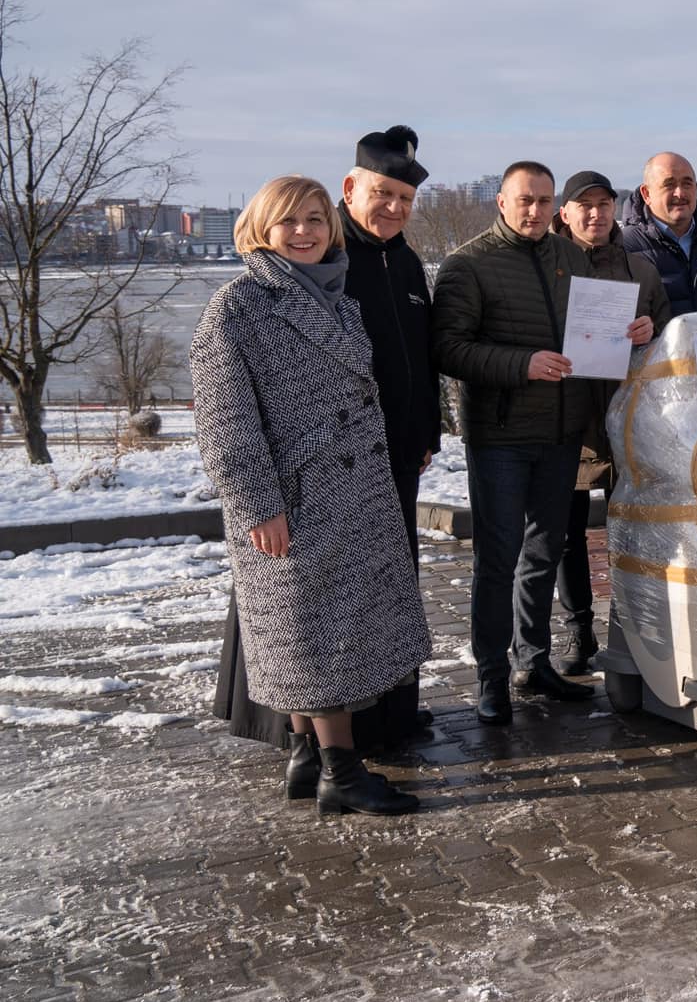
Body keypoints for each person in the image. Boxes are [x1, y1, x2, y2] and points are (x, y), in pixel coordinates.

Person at [190, 175, 432, 815]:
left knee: (326, 628)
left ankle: (305, 757)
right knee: (316, 636)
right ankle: (343, 774)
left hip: (352, 492)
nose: (304, 233)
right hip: (294, 500)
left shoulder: (336, 298)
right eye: (290, 222)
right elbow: (225, 421)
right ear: (261, 228)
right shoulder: (238, 305)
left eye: (316, 221)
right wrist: (257, 506)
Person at [432, 161, 617, 724]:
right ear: (502, 202)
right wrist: (523, 364)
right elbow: (447, 349)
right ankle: (491, 676)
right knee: (498, 557)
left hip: (562, 432)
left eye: (542, 200)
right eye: (524, 200)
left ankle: (532, 662)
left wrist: (624, 332)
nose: (534, 210)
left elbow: (588, 334)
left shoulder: (569, 258)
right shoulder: (468, 264)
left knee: (544, 552)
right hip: (502, 436)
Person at [550, 170, 671, 674]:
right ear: (566, 213)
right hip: (569, 418)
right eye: (585, 205)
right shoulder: (549, 267)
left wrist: (652, 328)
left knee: (635, 531)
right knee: (566, 534)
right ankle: (579, 628)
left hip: (627, 419)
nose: (596, 214)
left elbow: (669, 334)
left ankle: (634, 623)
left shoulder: (639, 268)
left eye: (604, 204)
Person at [618, 152, 697, 314]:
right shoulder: (623, 248)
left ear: (696, 189)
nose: (680, 193)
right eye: (669, 185)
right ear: (647, 194)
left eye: (687, 184)